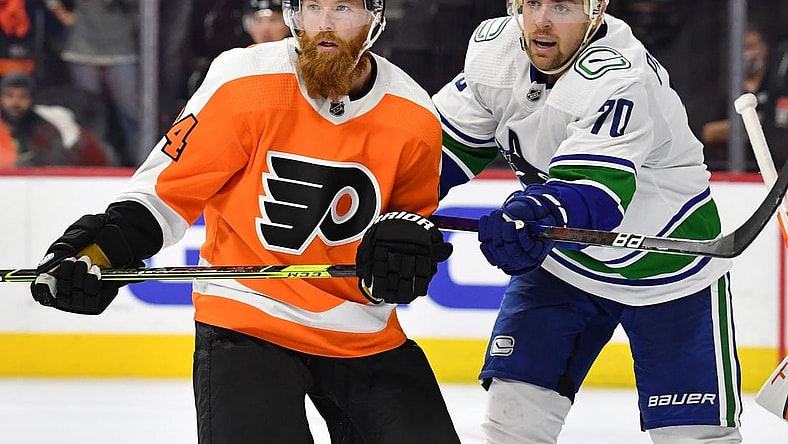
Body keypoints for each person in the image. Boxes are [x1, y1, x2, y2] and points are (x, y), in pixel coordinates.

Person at [29, 0, 460, 442]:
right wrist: (103, 248)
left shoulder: (414, 113)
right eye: (312, 6)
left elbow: (407, 223)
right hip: (248, 318)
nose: (323, 24)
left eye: (343, 8)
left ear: (375, 19)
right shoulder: (246, 80)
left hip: (359, 330)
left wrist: (399, 260)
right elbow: (165, 191)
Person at [434, 1, 743, 443]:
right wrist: (385, 202)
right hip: (564, 264)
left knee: (694, 438)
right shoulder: (495, 51)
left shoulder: (620, 75)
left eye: (561, 6)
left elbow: (594, 196)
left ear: (595, 13)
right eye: (532, 3)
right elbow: (433, 155)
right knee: (513, 420)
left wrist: (534, 214)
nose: (541, 19)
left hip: (668, 268)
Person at [45, 0, 141, 167]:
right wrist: (60, 11)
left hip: (122, 45)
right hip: (84, 46)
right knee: (88, 115)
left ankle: (143, 162)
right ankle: (92, 162)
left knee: (132, 112)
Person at [0, 71, 68, 166]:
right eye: (9, 95)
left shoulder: (46, 132)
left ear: (32, 99)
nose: (15, 102)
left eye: (23, 96)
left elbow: (55, 168)